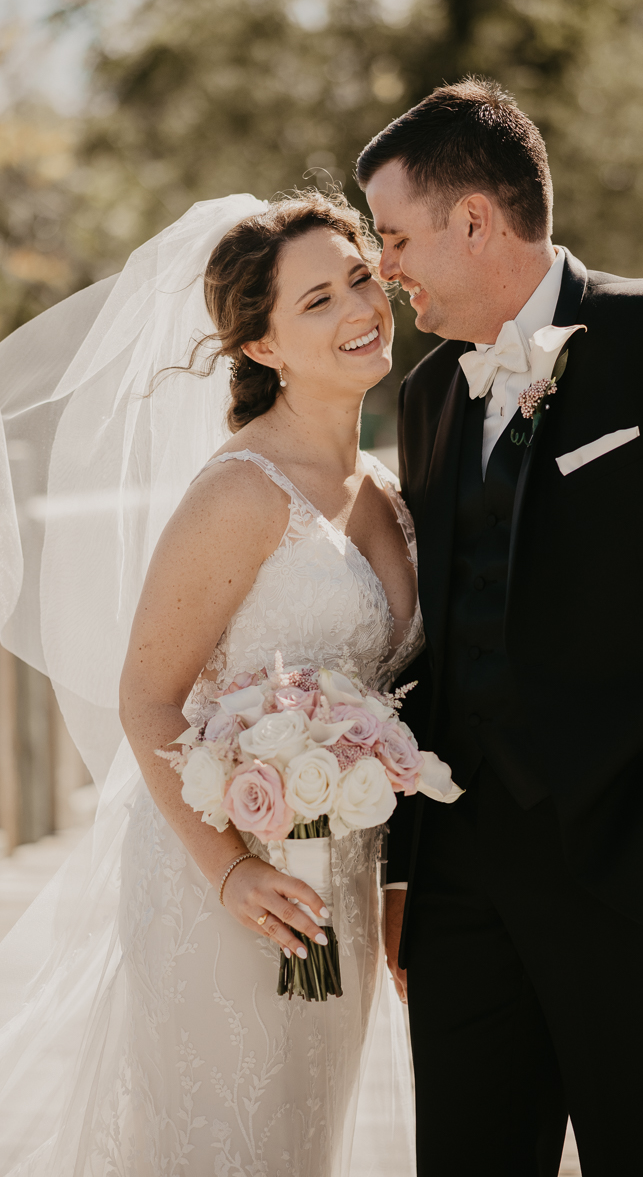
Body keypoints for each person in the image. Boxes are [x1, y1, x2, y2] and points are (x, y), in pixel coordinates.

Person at [358, 77, 643, 1176]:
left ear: (475, 220)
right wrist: (408, 871)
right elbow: (435, 651)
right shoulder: (425, 397)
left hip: (635, 857)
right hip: (462, 883)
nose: (384, 268)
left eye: (395, 235)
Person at [0, 191, 418, 1174]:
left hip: (338, 881)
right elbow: (147, 695)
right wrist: (230, 869)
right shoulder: (239, 492)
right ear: (264, 345)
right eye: (317, 300)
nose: (358, 308)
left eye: (361, 277)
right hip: (224, 885)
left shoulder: (388, 489)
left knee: (300, 1139)